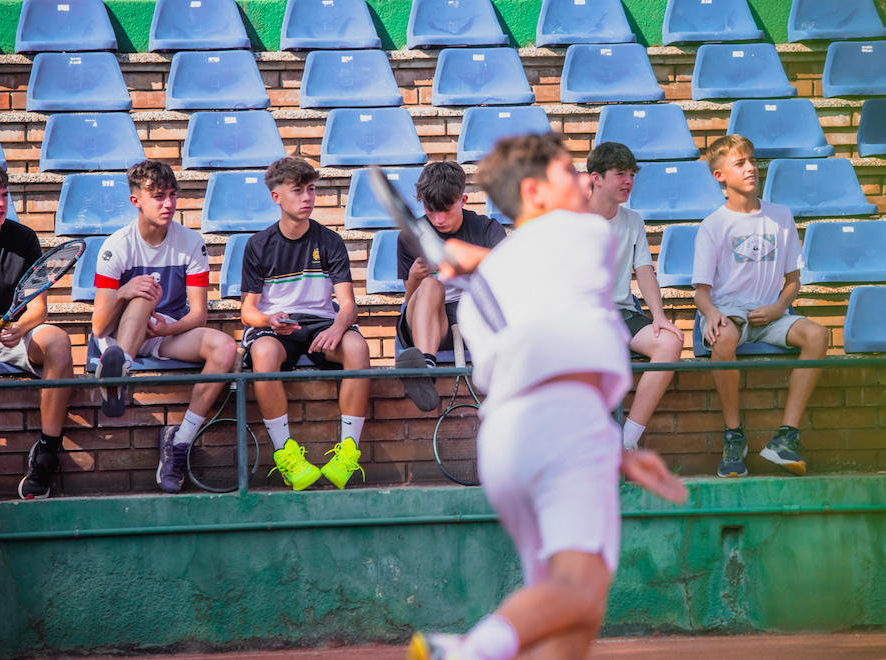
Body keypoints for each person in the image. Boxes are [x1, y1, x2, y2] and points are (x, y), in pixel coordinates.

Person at [407, 133, 687, 660]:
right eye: (566, 171)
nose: (582, 179)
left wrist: (615, 454)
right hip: (563, 428)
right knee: (580, 590)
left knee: (571, 616)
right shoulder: (583, 231)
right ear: (534, 192)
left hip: (508, 441)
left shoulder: (489, 287)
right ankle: (467, 652)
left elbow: (549, 355)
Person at [91, 160, 237, 494]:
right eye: (158, 196)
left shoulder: (191, 242)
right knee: (144, 291)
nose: (168, 203)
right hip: (119, 333)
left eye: (172, 195)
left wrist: (167, 330)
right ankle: (119, 370)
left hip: (165, 331)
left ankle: (180, 441)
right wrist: (125, 292)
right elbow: (99, 326)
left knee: (226, 347)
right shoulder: (116, 246)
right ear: (136, 201)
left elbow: (199, 315)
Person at [692, 134, 829, 478]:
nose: (751, 168)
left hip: (771, 311)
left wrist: (779, 308)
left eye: (752, 160)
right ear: (720, 175)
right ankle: (734, 436)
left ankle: (786, 438)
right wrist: (713, 314)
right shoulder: (713, 225)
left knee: (818, 335)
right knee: (723, 337)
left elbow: (793, 281)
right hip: (729, 310)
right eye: (739, 163)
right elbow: (701, 292)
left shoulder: (780, 216)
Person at [240, 157, 371, 491]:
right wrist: (269, 320)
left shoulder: (330, 241)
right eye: (297, 190)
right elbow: (248, 312)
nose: (307, 197)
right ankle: (287, 456)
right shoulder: (258, 245)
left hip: (322, 326)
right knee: (264, 352)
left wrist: (337, 328)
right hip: (278, 328)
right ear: (276, 197)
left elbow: (348, 305)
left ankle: (348, 455)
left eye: (311, 189)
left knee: (357, 346)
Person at [586, 142, 684, 452]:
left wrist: (659, 317)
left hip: (622, 315)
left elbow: (644, 271)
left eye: (631, 174)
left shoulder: (633, 220)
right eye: (620, 174)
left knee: (670, 342)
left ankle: (627, 441)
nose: (628, 181)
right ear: (596, 178)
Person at [395, 161, 507, 411]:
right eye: (430, 210)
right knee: (430, 286)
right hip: (428, 321)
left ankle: (425, 371)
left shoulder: (487, 230)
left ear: (463, 200)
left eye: (446, 210)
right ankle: (425, 369)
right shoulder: (410, 237)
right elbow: (409, 301)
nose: (439, 220)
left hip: (476, 318)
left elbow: (505, 283)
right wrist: (414, 279)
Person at [0, 164, 74, 499]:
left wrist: (19, 327)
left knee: (58, 341)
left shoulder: (24, 238)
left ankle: (45, 456)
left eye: (3, 195)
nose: (0, 204)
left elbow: (39, 308)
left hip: (11, 334)